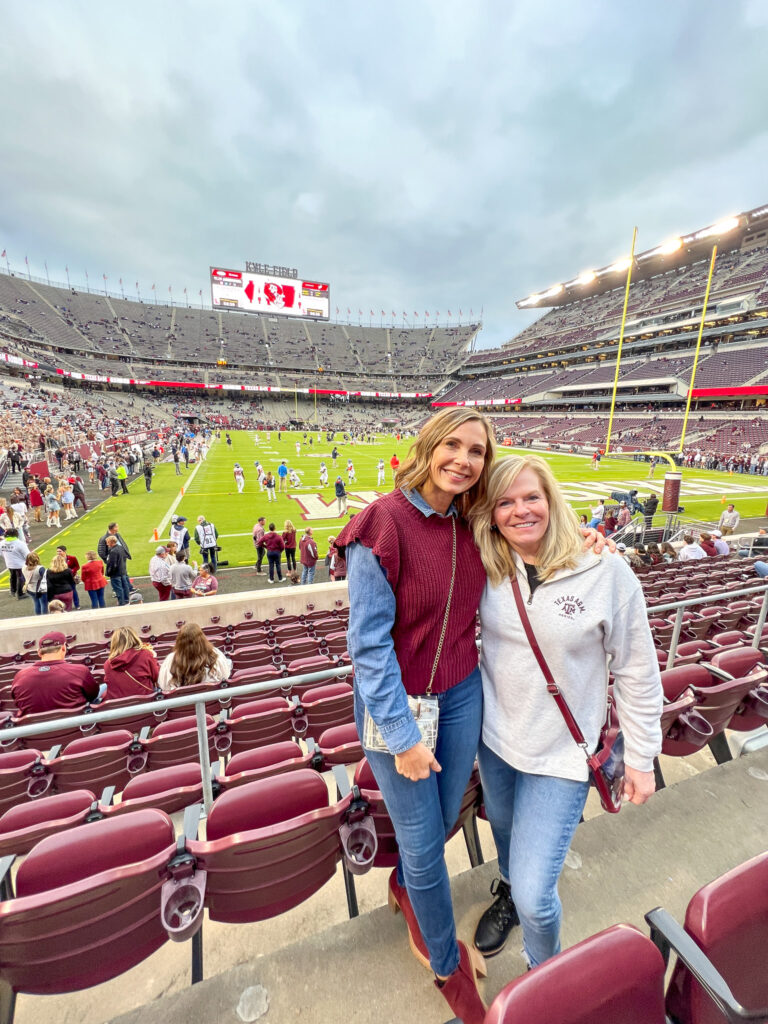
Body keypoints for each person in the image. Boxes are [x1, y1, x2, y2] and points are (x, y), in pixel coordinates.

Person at [467, 454, 662, 970]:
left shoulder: (605, 569)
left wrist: (642, 757)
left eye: (532, 497)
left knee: (538, 895)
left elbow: (638, 669)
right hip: (498, 743)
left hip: (562, 757)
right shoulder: (485, 562)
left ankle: (543, 973)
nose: (520, 511)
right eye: (505, 502)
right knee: (506, 838)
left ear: (553, 499)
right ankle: (506, 891)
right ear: (490, 514)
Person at [334, 409, 497, 1022]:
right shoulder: (383, 521)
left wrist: (591, 540)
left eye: (476, 451)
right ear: (427, 446)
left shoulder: (477, 521)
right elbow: (369, 644)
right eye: (451, 445)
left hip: (461, 695)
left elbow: (540, 541)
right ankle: (446, 967)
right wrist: (401, 736)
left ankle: (405, 885)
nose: (462, 459)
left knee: (446, 816)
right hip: (398, 706)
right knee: (427, 845)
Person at [12, 631, 100, 715]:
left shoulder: (20, 676)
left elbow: (18, 703)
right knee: (104, 687)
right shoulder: (80, 671)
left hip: (34, 729)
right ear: (63, 648)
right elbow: (92, 695)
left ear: (39, 652)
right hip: (75, 727)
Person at [157, 623, 232, 692]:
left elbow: (164, 686)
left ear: (179, 641)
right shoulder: (214, 654)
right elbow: (226, 675)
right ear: (202, 638)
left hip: (183, 706)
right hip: (213, 704)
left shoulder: (170, 660)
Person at [103, 627, 160, 699]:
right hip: (146, 701)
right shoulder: (146, 654)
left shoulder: (107, 664)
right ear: (134, 638)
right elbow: (156, 677)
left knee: (103, 687)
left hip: (119, 706)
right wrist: (154, 658)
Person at [0, 527, 30, 601]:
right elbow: (27, 555)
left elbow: (1, 553)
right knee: (21, 578)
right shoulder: (20, 543)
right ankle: (20, 593)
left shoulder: (2, 543)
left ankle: (13, 590)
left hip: (10, 563)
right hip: (20, 564)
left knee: (13, 576)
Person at [105, 536, 131, 605]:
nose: (107, 544)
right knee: (125, 586)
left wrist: (109, 572)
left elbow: (112, 564)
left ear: (111, 542)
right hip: (122, 571)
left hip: (116, 574)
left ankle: (121, 603)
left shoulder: (113, 551)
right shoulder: (121, 548)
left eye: (108, 542)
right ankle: (126, 600)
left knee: (118, 589)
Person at [56, 545, 81, 609]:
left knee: (73, 591)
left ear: (65, 551)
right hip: (61, 579)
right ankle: (65, 606)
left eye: (60, 551)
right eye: (57, 551)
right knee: (63, 593)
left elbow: (77, 566)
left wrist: (72, 571)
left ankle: (77, 605)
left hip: (71, 578)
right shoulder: (56, 559)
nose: (58, 553)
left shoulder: (72, 558)